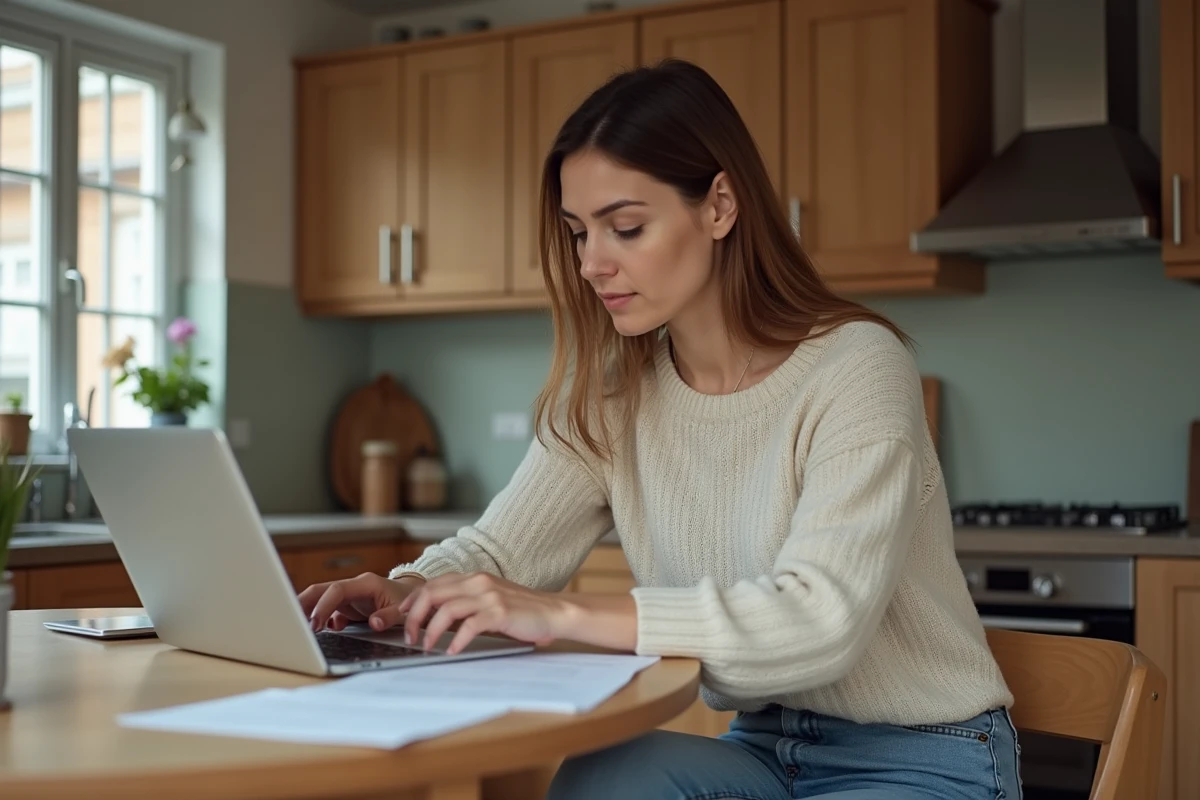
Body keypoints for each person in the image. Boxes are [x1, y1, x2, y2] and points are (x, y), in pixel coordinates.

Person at [300, 58, 1021, 800]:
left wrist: (562, 611)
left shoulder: (857, 366)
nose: (591, 264)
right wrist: (403, 589)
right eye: (579, 233)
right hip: (764, 750)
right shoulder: (616, 399)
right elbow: (498, 551)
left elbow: (817, 623)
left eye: (626, 227)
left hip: (925, 756)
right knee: (605, 775)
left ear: (719, 206)